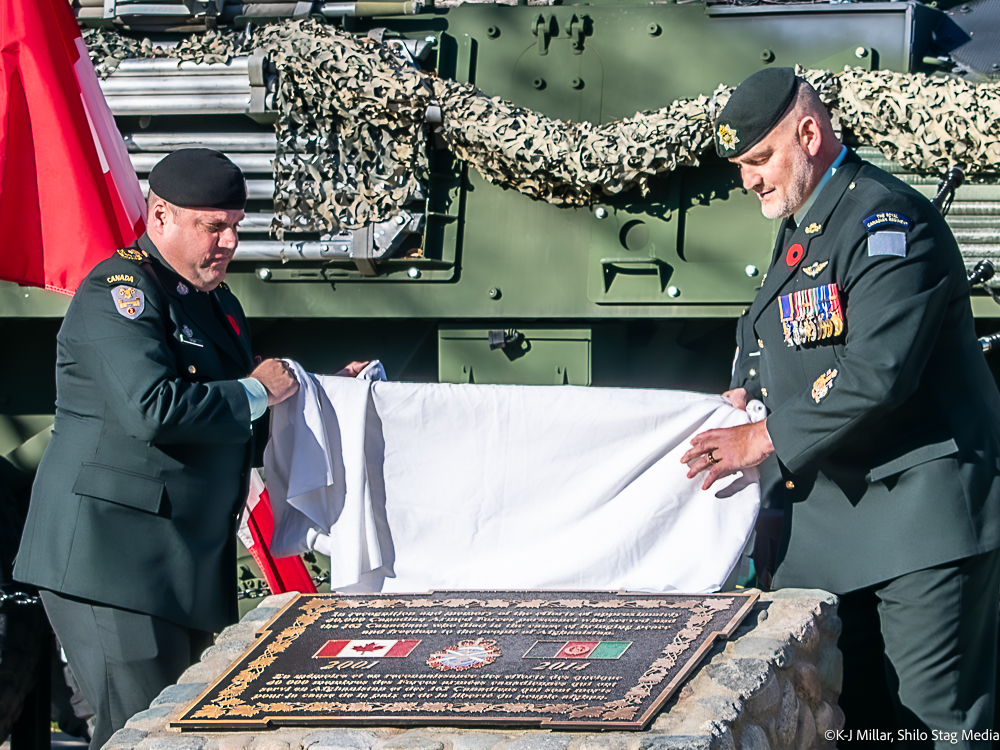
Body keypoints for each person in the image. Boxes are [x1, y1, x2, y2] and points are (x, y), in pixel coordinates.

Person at [682, 68, 1000, 742]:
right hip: (838, 523)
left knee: (935, 727)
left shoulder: (890, 220)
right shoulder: (809, 223)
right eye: (743, 166)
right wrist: (749, 386)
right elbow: (776, 328)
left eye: (761, 158)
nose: (750, 180)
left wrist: (763, 437)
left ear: (809, 132)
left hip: (919, 521)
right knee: (848, 723)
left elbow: (878, 371)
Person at [13, 149, 362, 749]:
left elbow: (229, 420)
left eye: (234, 226)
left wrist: (325, 396)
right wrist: (257, 388)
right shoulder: (118, 293)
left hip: (179, 563)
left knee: (184, 733)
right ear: (160, 216)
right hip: (112, 561)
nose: (227, 242)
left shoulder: (217, 304)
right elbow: (154, 408)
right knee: (139, 736)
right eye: (211, 226)